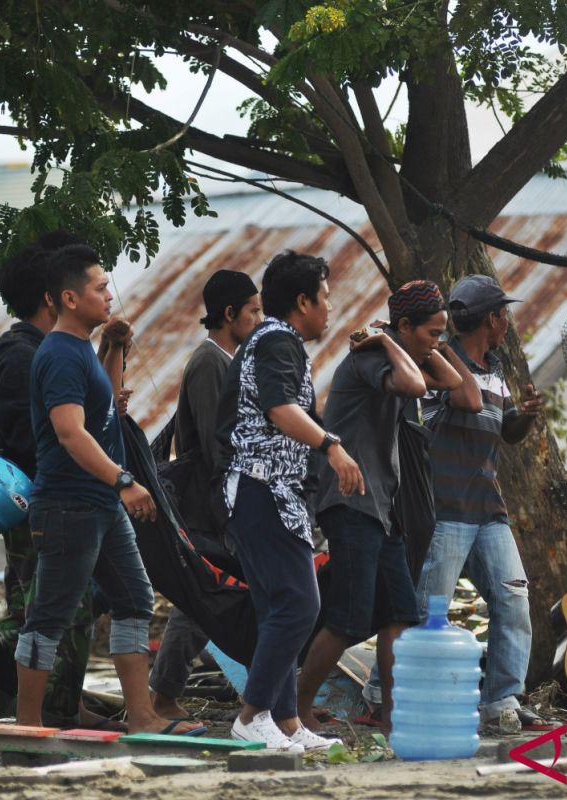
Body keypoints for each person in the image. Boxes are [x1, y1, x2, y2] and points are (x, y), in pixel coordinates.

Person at [13, 243, 202, 736]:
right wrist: (124, 481)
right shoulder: (58, 355)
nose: (110, 296)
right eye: (101, 288)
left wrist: (115, 348)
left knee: (135, 598)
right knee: (50, 615)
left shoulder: (80, 351)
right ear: (70, 299)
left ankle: (141, 716)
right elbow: (71, 431)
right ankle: (26, 725)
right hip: (69, 504)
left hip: (99, 504)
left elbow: (105, 412)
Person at [0, 236, 115, 730]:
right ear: (55, 297)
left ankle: (61, 702)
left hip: (55, 498)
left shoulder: (44, 348)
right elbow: (41, 436)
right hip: (39, 501)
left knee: (65, 604)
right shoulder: (26, 354)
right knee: (43, 608)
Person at [297, 280, 478, 735]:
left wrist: (412, 343)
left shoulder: (397, 351)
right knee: (348, 618)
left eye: (442, 333)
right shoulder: (368, 358)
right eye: (432, 333)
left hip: (383, 508)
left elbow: (453, 382)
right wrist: (384, 341)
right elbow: (417, 383)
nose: (438, 342)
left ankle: (393, 714)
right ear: (403, 326)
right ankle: (295, 707)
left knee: (401, 612)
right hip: (351, 501)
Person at [215, 250, 362, 752]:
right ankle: (251, 715)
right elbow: (280, 409)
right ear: (303, 300)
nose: (329, 309)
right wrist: (332, 446)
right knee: (301, 603)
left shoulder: (276, 341)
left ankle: (286, 724)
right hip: (262, 489)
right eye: (324, 298)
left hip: (266, 492)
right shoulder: (277, 340)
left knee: (276, 606)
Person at [419, 274, 550, 732]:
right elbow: (458, 406)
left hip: (488, 508)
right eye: (504, 314)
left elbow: (504, 432)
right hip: (448, 506)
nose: (508, 323)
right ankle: (389, 695)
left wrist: (523, 418)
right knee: (426, 608)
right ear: (491, 319)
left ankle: (501, 701)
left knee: (513, 598)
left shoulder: (496, 368)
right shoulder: (440, 361)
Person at [149, 269, 262, 722]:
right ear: (229, 313)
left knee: (220, 599)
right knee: (203, 603)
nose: (259, 319)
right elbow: (221, 447)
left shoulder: (225, 360)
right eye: (253, 311)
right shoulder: (210, 362)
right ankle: (162, 694)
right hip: (212, 505)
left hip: (222, 502)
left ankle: (268, 695)